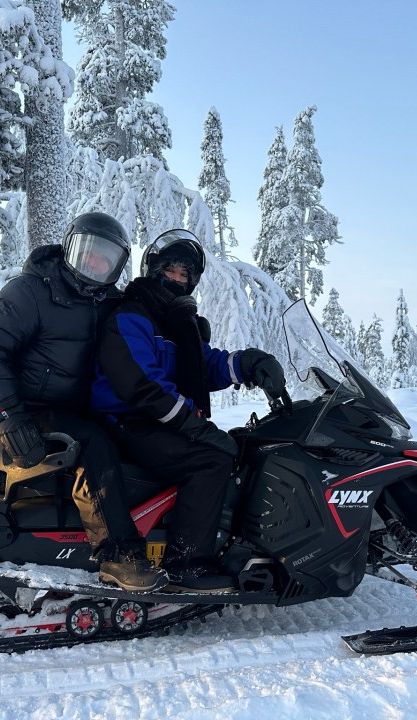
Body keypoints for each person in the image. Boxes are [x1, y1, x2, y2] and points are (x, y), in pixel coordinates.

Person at [0, 212, 168, 592]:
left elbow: (143, 329)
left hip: (82, 406)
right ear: (70, 249)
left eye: (105, 261)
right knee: (93, 441)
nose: (95, 265)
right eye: (88, 254)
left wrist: (181, 323)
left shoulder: (109, 302)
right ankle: (117, 554)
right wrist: (8, 417)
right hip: (31, 408)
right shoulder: (30, 291)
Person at [91, 229, 286, 592]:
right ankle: (187, 563)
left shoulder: (176, 323)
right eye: (171, 271)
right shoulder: (132, 316)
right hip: (127, 422)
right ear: (154, 270)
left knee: (241, 447)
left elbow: (206, 365)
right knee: (211, 458)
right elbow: (140, 385)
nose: (178, 280)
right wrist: (191, 423)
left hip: (153, 421)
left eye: (185, 275)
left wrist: (248, 363)